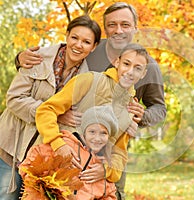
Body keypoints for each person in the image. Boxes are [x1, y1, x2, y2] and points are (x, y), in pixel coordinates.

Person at [16, 2, 166, 199]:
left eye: (125, 25)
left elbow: (159, 110)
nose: (118, 30)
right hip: (64, 154)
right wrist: (20, 59)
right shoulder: (91, 50)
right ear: (117, 62)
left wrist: (141, 116)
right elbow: (63, 52)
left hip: (103, 160)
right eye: (112, 25)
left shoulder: (150, 68)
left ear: (136, 28)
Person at [0, 15, 101, 199]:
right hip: (11, 147)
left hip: (43, 159)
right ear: (67, 35)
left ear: (93, 47)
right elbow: (14, 98)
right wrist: (53, 114)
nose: (78, 45)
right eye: (75, 37)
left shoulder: (89, 80)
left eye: (86, 42)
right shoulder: (37, 58)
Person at [35, 43, 149, 187]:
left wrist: (106, 170)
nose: (130, 71)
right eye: (126, 64)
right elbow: (47, 110)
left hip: (86, 186)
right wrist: (58, 144)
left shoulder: (132, 109)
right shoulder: (88, 80)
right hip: (52, 171)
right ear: (117, 62)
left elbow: (119, 154)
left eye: (138, 68)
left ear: (143, 73)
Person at [20, 105, 119, 199]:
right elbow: (28, 166)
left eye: (103, 133)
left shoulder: (102, 165)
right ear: (84, 131)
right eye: (92, 132)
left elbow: (108, 193)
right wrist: (39, 190)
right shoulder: (64, 145)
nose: (97, 138)